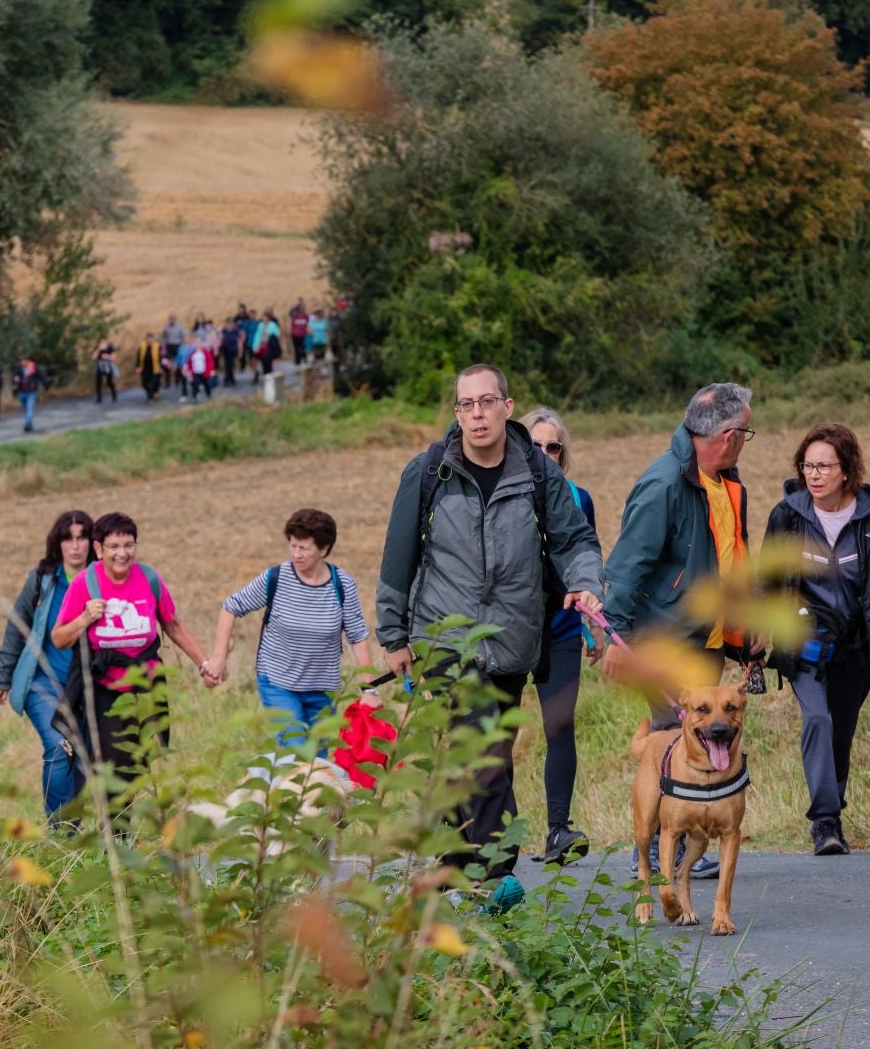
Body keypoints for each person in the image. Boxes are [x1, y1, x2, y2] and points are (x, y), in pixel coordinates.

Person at [374, 366, 606, 912]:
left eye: (486, 402)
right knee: (481, 750)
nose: (476, 414)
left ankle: (454, 866)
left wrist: (586, 583)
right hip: (444, 638)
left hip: (511, 640)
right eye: (465, 405)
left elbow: (575, 539)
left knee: (479, 750)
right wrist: (392, 633)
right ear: (457, 413)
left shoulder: (537, 474)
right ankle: (497, 874)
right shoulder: (430, 470)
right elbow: (397, 556)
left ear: (507, 406)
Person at [602, 382, 759, 881]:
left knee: (700, 746)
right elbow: (627, 567)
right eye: (746, 433)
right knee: (670, 742)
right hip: (664, 641)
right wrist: (616, 640)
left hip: (709, 640)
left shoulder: (725, 479)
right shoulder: (664, 485)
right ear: (728, 435)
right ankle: (648, 852)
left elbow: (734, 555)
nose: (745, 442)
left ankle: (686, 847)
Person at [764, 424, 870, 856]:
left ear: (847, 470)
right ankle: (825, 822)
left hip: (856, 645)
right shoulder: (788, 516)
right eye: (807, 466)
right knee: (817, 719)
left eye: (824, 467)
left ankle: (831, 813)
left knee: (840, 732)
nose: (814, 475)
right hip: (804, 643)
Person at [52, 512, 212, 786]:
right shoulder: (84, 584)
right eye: (113, 547)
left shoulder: (149, 579)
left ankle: (124, 823)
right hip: (105, 689)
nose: (122, 554)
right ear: (99, 549)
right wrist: (85, 618)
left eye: (128, 545)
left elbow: (172, 624)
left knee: (141, 763)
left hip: (146, 685)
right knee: (114, 765)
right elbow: (59, 638)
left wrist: (204, 664)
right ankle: (117, 827)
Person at [205, 508, 371, 753]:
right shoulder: (276, 578)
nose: (296, 554)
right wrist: (219, 658)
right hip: (278, 682)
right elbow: (231, 607)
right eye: (292, 546)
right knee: (297, 751)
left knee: (318, 760)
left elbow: (358, 638)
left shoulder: (342, 585)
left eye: (303, 548)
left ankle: (283, 789)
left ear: (324, 549)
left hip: (323, 690)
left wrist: (371, 690)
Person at [517, 407, 602, 865]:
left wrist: (595, 628)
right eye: (536, 446)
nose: (546, 455)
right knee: (493, 732)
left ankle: (557, 830)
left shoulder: (578, 497)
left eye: (554, 447)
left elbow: (587, 557)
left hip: (563, 628)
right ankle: (488, 832)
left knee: (559, 724)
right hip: (511, 631)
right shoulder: (507, 496)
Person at [0, 510, 96, 821]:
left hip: (86, 684)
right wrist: (2, 678)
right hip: (44, 682)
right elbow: (17, 626)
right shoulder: (42, 580)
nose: (75, 546)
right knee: (58, 745)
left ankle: (72, 828)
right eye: (68, 538)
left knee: (81, 757)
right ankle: (59, 831)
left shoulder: (100, 582)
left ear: (92, 543)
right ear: (58, 543)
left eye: (82, 538)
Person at [13, 356, 48, 433]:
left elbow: (40, 376)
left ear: (28, 362)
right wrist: (15, 380)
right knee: (26, 409)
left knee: (29, 408)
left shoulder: (34, 368)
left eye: (25, 361)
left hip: (31, 391)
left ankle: (27, 425)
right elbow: (14, 377)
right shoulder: (19, 369)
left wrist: (45, 385)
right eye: (22, 361)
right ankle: (30, 423)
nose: (23, 363)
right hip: (22, 392)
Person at [161, 314, 186, 398]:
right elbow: (164, 337)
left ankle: (177, 380)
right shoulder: (166, 327)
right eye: (170, 319)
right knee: (166, 364)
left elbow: (183, 337)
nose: (172, 320)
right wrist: (163, 347)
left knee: (178, 364)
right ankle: (167, 381)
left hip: (177, 345)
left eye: (173, 319)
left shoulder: (180, 326)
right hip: (169, 346)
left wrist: (182, 347)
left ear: (175, 319)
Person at [253, 310, 283, 379]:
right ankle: (265, 374)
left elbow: (277, 334)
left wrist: (270, 333)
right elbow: (257, 336)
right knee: (263, 359)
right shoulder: (260, 325)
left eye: (265, 317)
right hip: (262, 345)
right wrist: (255, 346)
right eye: (263, 317)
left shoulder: (272, 325)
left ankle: (269, 374)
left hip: (270, 345)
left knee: (268, 360)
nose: (264, 319)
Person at [136, 332, 165, 402]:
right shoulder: (142, 347)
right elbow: (138, 357)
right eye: (148, 339)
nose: (149, 341)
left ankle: (150, 396)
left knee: (153, 382)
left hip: (155, 368)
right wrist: (138, 367)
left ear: (153, 339)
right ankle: (152, 394)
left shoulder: (158, 347)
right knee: (144, 383)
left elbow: (162, 357)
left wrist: (162, 367)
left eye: (151, 339)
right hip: (145, 368)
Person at [94, 339, 119, 405]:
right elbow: (94, 357)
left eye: (104, 343)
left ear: (107, 343)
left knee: (109, 382)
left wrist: (107, 356)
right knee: (98, 382)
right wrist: (99, 349)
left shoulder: (110, 348)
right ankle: (99, 398)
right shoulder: (98, 349)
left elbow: (114, 358)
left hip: (108, 366)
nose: (103, 344)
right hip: (100, 366)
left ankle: (114, 395)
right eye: (101, 343)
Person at [220, 314, 242, 388]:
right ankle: (230, 379)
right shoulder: (224, 330)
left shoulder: (235, 331)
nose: (230, 325)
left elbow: (239, 342)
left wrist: (240, 351)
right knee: (227, 365)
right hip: (226, 350)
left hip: (233, 350)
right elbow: (220, 339)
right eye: (228, 323)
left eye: (231, 323)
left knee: (231, 365)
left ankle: (228, 379)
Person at [288, 299, 310, 366]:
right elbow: (290, 313)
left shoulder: (305, 316)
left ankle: (305, 360)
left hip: (303, 335)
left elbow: (309, 323)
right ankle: (298, 361)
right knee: (297, 348)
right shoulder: (295, 315)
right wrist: (297, 304)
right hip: (295, 334)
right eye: (300, 307)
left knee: (303, 348)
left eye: (302, 307)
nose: (301, 308)